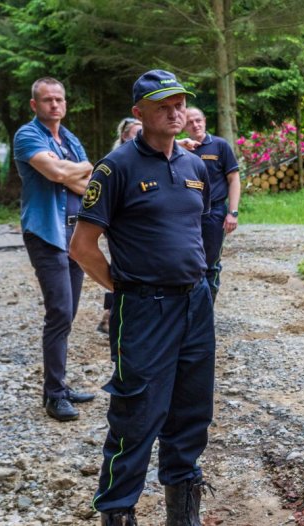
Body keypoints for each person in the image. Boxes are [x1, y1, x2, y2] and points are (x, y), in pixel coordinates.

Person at [69, 69, 215, 526]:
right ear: (139, 114)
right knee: (136, 417)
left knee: (192, 411)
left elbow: (197, 228)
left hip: (196, 304)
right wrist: (125, 285)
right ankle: (117, 513)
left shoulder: (195, 166)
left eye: (179, 104)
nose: (175, 112)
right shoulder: (115, 168)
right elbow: (82, 247)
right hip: (144, 310)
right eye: (162, 106)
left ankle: (182, 513)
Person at [13, 77, 95, 422]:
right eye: (47, 100)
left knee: (69, 312)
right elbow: (61, 171)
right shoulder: (27, 136)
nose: (54, 105)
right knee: (59, 312)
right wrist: (66, 172)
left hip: (74, 236)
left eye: (59, 99)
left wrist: (66, 173)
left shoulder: (71, 139)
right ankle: (54, 394)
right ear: (35, 105)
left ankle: (58, 384)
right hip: (46, 234)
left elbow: (87, 180)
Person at [184, 106, 241, 302]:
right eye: (190, 122)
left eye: (198, 120)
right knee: (185, 262)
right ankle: (189, 309)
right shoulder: (178, 149)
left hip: (214, 212)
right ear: (183, 125)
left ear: (205, 121)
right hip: (185, 215)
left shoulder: (220, 145)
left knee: (210, 264)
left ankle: (206, 311)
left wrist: (232, 212)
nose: (195, 125)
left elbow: (234, 179)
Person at [96, 117, 142, 335]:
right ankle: (112, 318)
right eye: (136, 132)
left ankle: (109, 316)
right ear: (125, 135)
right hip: (120, 228)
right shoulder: (115, 162)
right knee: (123, 271)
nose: (142, 135)